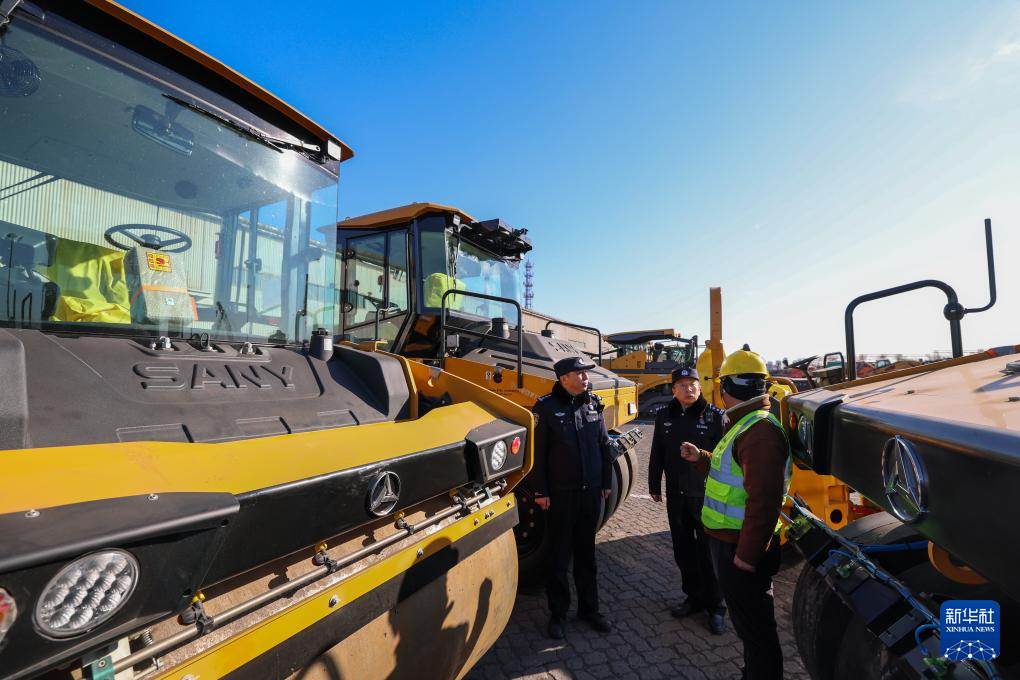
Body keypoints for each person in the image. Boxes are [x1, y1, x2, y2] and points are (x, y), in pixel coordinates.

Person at [680, 346, 792, 680]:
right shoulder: (746, 423)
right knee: (748, 626)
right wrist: (701, 457)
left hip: (739, 548)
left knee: (756, 629)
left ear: (726, 386)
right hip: (731, 541)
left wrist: (747, 555)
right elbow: (733, 472)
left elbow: (764, 500)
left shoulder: (759, 432)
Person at [531, 355, 615, 640]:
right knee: (558, 556)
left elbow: (604, 445)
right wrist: (540, 491)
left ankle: (590, 610)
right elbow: (538, 454)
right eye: (580, 374)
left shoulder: (592, 404)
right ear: (564, 378)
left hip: (590, 493)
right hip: (560, 496)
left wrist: (605, 482)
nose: (586, 378)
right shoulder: (546, 407)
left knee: (586, 554)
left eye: (586, 374)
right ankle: (558, 613)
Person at [647, 366, 727, 634]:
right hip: (676, 495)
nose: (689, 389)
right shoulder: (664, 415)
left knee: (708, 553)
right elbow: (657, 451)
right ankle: (693, 597)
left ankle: (716, 606)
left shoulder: (715, 416)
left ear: (700, 387)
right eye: (682, 385)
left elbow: (724, 459)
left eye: (693, 384)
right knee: (683, 550)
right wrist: (654, 484)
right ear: (673, 390)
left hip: (705, 496)